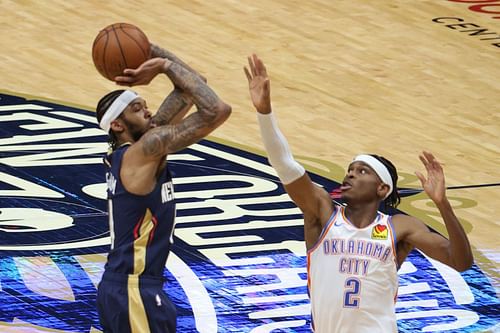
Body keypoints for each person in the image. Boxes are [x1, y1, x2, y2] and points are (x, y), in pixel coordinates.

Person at [244, 54, 473, 333]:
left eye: (363, 171)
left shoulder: (399, 227)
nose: (350, 174)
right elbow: (285, 164)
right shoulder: (322, 212)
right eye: (350, 169)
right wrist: (265, 113)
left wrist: (443, 204)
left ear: (382, 188)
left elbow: (460, 262)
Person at [95, 44, 231, 333]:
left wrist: (147, 50)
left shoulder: (140, 148)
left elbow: (195, 85)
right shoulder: (143, 151)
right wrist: (164, 67)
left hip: (135, 287)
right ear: (118, 125)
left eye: (145, 105)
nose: (147, 110)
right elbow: (216, 109)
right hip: (133, 289)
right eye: (137, 108)